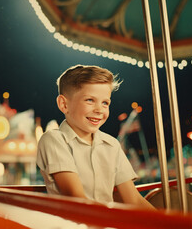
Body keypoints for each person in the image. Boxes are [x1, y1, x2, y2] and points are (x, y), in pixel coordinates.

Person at [36, 65, 155, 209]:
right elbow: (76, 198)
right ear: (64, 104)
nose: (99, 110)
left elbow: (134, 200)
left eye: (105, 103)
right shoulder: (54, 140)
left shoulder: (112, 145)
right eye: (90, 100)